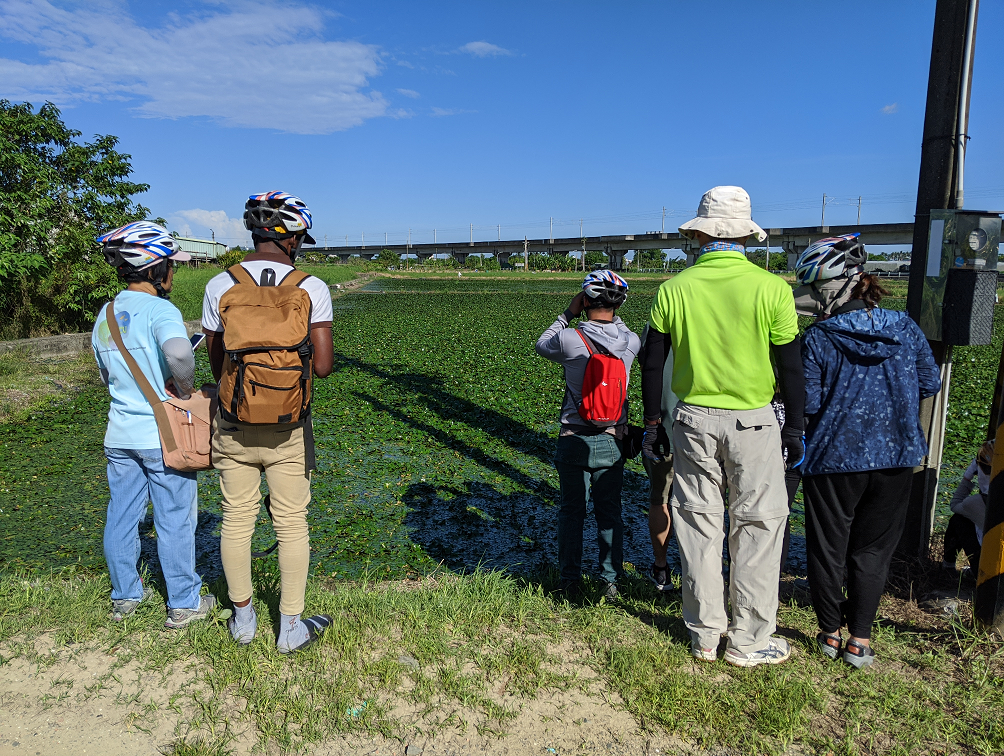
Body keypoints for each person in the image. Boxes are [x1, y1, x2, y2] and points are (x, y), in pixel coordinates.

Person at [641, 186, 805, 667]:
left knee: (698, 523)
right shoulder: (772, 288)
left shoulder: (675, 288)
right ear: (745, 237)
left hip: (691, 418)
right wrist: (793, 429)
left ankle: (706, 634)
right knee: (757, 525)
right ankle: (750, 640)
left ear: (700, 235)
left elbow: (653, 364)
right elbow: (790, 369)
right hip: (755, 422)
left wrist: (654, 423)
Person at [795, 236, 940, 669]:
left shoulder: (819, 337)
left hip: (833, 459)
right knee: (873, 551)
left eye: (816, 289)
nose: (813, 298)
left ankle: (829, 633)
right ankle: (860, 639)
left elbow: (810, 402)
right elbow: (928, 383)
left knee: (828, 547)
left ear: (840, 286)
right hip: (897, 456)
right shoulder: (906, 328)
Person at [202, 191, 334, 653]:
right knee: (292, 523)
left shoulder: (221, 284)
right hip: (289, 427)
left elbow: (217, 363)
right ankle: (291, 628)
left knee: (236, 519)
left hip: (234, 422)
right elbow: (321, 367)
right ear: (292, 236)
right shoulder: (311, 286)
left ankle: (243, 621)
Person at [92, 221, 214, 627]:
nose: (174, 273)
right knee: (175, 517)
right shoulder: (162, 309)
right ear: (154, 269)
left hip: (119, 434)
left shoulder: (105, 315)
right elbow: (180, 353)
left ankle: (125, 595)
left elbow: (107, 377)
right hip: (163, 436)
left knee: (122, 515)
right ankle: (183, 602)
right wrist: (183, 386)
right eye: (170, 265)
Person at [535, 271, 640, 600]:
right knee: (610, 512)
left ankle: (569, 582)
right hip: (612, 440)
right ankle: (610, 581)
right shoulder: (631, 342)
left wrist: (568, 313)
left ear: (586, 301)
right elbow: (621, 329)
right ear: (619, 303)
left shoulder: (570, 340)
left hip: (572, 439)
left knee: (571, 512)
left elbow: (541, 344)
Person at [638, 325, 676, 590]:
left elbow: (645, 361)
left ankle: (661, 568)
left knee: (659, 499)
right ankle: (699, 569)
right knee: (705, 502)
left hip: (663, 423)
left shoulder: (661, 320)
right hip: (705, 427)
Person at [942, 439, 993, 574]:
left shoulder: (976, 503)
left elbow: (955, 504)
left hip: (988, 572)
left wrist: (968, 476)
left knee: (958, 520)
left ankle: (948, 567)